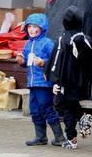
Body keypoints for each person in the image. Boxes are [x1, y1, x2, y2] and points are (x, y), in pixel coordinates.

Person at [46, 6, 92, 150]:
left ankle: (72, 138)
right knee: (72, 105)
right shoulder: (87, 39)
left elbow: (56, 61)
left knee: (65, 107)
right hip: (82, 82)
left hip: (65, 81)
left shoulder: (63, 39)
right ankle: (84, 117)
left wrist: (55, 81)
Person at [15, 13, 65, 147]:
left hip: (44, 83)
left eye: (35, 27)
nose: (31, 30)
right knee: (34, 110)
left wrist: (43, 62)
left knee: (47, 108)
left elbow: (56, 61)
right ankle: (40, 137)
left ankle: (59, 137)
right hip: (32, 83)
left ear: (42, 28)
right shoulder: (28, 44)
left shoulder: (48, 43)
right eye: (29, 27)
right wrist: (21, 61)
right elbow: (26, 61)